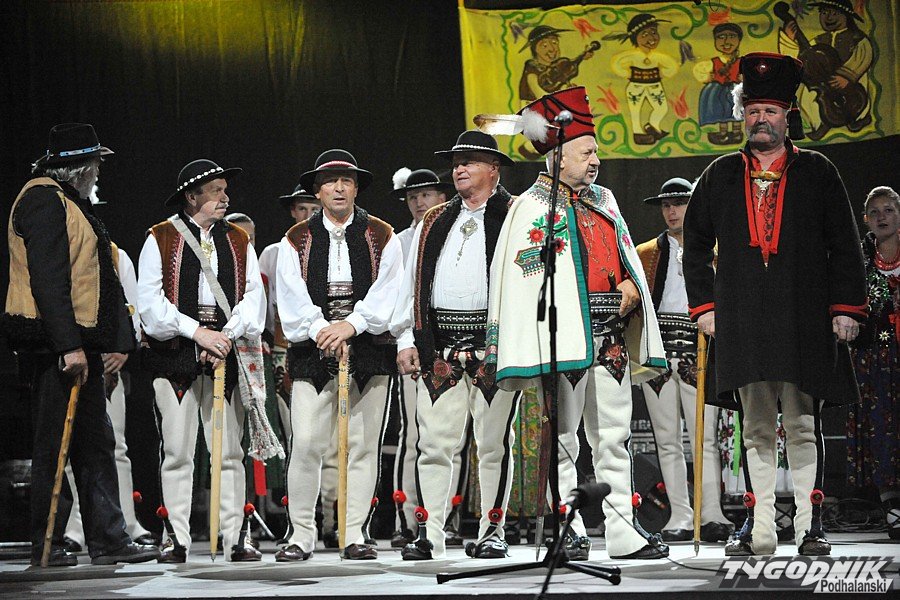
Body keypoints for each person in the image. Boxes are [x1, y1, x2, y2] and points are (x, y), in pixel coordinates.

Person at [682, 52, 868, 557]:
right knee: (756, 428)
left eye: (770, 111)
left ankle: (810, 527)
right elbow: (694, 246)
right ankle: (759, 527)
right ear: (743, 115)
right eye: (753, 111)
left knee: (804, 425)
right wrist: (705, 307)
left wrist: (846, 308)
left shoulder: (818, 171)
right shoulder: (720, 174)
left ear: (788, 116)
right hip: (742, 321)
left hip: (803, 318)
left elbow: (845, 243)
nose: (760, 119)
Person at [487, 87, 669, 561]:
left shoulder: (605, 199)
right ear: (559, 155)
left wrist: (630, 285)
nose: (596, 161)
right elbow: (522, 277)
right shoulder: (530, 206)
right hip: (563, 339)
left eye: (596, 152)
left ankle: (624, 533)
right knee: (564, 439)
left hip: (610, 337)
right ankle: (569, 530)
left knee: (614, 437)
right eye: (587, 152)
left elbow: (624, 255)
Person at [1, 123, 159, 566]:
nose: (99, 173)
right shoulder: (43, 200)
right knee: (55, 445)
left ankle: (108, 539)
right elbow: (48, 280)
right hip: (55, 347)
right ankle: (47, 541)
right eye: (96, 164)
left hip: (79, 343)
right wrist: (68, 347)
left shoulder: (69, 202)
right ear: (81, 167)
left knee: (95, 442)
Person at [391, 133, 520, 560]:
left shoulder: (515, 214)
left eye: (470, 161)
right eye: (456, 162)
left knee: (494, 444)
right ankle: (430, 533)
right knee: (433, 444)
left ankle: (492, 530)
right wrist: (406, 337)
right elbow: (412, 284)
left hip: (494, 347)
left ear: (493, 170)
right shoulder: (434, 220)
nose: (459, 168)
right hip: (439, 347)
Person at [275, 149, 403, 561]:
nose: (339, 188)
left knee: (363, 446)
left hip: (369, 350)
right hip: (311, 352)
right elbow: (291, 298)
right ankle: (301, 534)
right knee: (306, 443)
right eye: (331, 181)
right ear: (317, 190)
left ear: (356, 188)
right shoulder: (295, 239)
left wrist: (353, 324)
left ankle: (353, 533)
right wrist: (322, 329)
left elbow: (389, 291)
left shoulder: (382, 234)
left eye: (347, 180)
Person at [138, 159, 268, 563]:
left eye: (225, 190)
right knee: (177, 451)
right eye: (215, 190)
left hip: (224, 353)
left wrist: (224, 336)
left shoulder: (239, 240)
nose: (224, 197)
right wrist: (198, 333)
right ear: (192, 196)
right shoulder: (160, 237)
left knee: (229, 452)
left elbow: (254, 298)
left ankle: (235, 536)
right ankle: (174, 537)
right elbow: (150, 305)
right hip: (174, 355)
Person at [635, 177, 734, 543]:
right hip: (659, 353)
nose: (672, 211)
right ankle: (679, 513)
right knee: (666, 438)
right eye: (667, 205)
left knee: (704, 437)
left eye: (679, 203)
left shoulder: (715, 250)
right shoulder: (647, 252)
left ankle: (711, 512)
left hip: (700, 349)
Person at [63, 240, 157, 551]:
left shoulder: (117, 255)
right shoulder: (56, 250)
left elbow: (133, 308)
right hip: (69, 355)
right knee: (69, 446)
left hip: (105, 362)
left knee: (116, 445)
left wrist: (124, 348)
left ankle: (127, 521)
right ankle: (77, 527)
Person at [387, 167, 460, 549]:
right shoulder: (399, 242)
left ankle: (444, 518)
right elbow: (397, 295)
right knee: (413, 435)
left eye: (426, 195)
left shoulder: (455, 231)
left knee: (454, 438)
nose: (419, 202)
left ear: (441, 197)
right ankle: (408, 518)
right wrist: (404, 339)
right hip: (416, 346)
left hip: (451, 344)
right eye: (413, 196)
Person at [848, 185, 899, 540]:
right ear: (866, 220)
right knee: (881, 431)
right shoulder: (859, 258)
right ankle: (892, 507)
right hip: (873, 361)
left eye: (889, 210)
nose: (882, 217)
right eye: (875, 212)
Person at [778, 0, 873, 140]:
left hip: (847, 83)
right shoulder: (817, 40)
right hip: (822, 84)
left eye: (834, 13)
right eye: (824, 13)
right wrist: (790, 39)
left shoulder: (857, 38)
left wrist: (847, 76)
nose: (828, 17)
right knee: (806, 94)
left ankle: (857, 118)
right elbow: (800, 59)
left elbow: (862, 56)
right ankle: (819, 122)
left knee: (856, 95)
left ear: (846, 16)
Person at [607, 14, 678, 145]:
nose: (651, 38)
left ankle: (653, 125)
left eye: (654, 32)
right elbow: (617, 63)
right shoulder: (632, 56)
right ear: (635, 38)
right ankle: (638, 133)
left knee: (662, 108)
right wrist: (627, 73)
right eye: (644, 34)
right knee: (635, 111)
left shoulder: (658, 56)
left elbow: (672, 65)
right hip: (636, 86)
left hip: (655, 85)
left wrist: (663, 73)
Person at [692, 23, 744, 145]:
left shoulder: (741, 61)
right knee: (721, 111)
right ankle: (723, 132)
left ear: (739, 40)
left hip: (735, 90)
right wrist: (708, 77)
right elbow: (700, 73)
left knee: (736, 109)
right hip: (718, 92)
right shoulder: (713, 62)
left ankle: (737, 132)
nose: (726, 41)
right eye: (721, 37)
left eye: (732, 36)